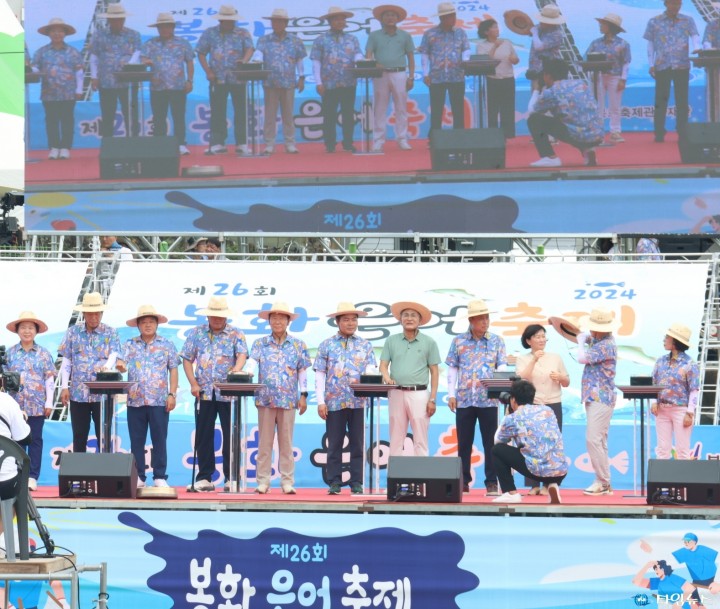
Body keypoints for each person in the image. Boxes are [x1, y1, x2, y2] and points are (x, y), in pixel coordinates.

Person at [180, 296, 248, 491]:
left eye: (221, 315)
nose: (217, 319)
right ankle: (204, 478)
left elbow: (242, 355)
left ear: (226, 316)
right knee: (204, 436)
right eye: (214, 315)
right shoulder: (196, 333)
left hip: (229, 394)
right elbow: (187, 359)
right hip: (204, 393)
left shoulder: (236, 333)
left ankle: (231, 478)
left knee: (231, 435)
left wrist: (236, 371)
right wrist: (193, 383)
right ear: (208, 315)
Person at [248, 302, 311, 494]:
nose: (277, 322)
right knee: (264, 443)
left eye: (282, 318)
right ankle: (263, 481)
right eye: (274, 318)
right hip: (265, 400)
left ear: (288, 321)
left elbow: (302, 371)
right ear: (269, 321)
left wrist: (304, 395)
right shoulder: (260, 343)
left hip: (289, 400)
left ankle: (287, 481)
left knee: (286, 443)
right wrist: (243, 374)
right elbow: (251, 364)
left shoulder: (298, 345)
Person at [314, 302, 376, 495]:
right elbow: (320, 375)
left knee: (358, 443)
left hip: (359, 401)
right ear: (337, 322)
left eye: (354, 320)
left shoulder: (365, 345)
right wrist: (320, 401)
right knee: (334, 444)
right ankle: (334, 482)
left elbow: (371, 370)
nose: (350, 323)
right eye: (346, 320)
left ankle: (356, 482)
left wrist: (369, 382)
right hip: (334, 402)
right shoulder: (326, 344)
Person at [445, 299, 506, 495]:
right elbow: (452, 368)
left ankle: (492, 481)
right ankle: (463, 480)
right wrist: (451, 394)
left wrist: (501, 390)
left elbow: (502, 366)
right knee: (464, 442)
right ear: (471, 320)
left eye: (487, 318)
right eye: (481, 318)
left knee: (491, 442)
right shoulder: (458, 341)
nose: (485, 322)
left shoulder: (497, 341)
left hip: (489, 399)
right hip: (464, 398)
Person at [58, 292, 124, 453]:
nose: (94, 317)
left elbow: (114, 355)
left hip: (103, 395)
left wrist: (106, 367)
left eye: (97, 313)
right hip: (78, 393)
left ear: (101, 313)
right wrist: (64, 387)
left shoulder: (111, 332)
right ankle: (79, 468)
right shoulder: (73, 332)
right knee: (79, 435)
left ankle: (105, 466)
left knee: (104, 435)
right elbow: (67, 360)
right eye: (90, 313)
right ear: (84, 313)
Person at [123, 305, 179, 489]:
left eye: (151, 322)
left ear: (157, 324)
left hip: (159, 400)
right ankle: (139, 476)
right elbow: (120, 364)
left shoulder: (167, 344)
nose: (148, 325)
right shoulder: (129, 344)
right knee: (136, 440)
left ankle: (159, 476)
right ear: (138, 325)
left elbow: (173, 369)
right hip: (135, 399)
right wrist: (119, 366)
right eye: (144, 322)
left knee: (159, 439)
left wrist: (172, 394)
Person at [491, 379, 567, 504]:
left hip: (536, 471)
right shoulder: (548, 410)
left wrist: (506, 417)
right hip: (560, 471)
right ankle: (552, 484)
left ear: (513, 400)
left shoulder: (513, 417)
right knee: (543, 452)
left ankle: (510, 493)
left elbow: (497, 441)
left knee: (497, 450)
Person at [380, 301, 439, 457]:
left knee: (421, 439)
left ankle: (421, 473)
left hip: (419, 394)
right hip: (396, 393)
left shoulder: (429, 342)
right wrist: (387, 378)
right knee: (396, 438)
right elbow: (383, 366)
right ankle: (394, 472)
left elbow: (434, 372)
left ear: (420, 320)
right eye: (405, 315)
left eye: (413, 315)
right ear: (400, 320)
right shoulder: (391, 340)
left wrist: (432, 399)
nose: (409, 318)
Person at [515, 323, 569, 495]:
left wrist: (560, 377)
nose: (541, 340)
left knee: (552, 444)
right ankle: (534, 485)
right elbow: (521, 378)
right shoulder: (522, 359)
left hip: (553, 403)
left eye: (543, 336)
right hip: (533, 404)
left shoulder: (555, 357)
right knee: (530, 444)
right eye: (537, 337)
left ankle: (549, 484)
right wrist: (534, 360)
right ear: (528, 341)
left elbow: (567, 382)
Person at [5, 311, 55, 492]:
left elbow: (49, 379)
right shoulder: (9, 354)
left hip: (37, 405)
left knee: (35, 440)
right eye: (23, 328)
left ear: (36, 331)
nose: (27, 331)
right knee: (15, 441)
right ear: (17, 331)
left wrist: (49, 403)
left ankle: (32, 477)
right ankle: (17, 475)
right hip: (14, 406)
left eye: (30, 328)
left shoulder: (44, 354)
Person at [196, 4, 254, 156]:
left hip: (238, 77)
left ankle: (242, 143)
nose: (230, 22)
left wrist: (245, 60)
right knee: (218, 110)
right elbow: (201, 53)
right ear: (220, 20)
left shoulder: (242, 33)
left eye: (232, 20)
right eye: (227, 20)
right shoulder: (210, 33)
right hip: (217, 78)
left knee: (241, 110)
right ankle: (218, 143)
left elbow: (250, 48)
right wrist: (208, 71)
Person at [527, 59, 604, 168]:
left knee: (534, 120)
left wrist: (536, 89)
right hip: (597, 134)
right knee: (573, 120)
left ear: (548, 76)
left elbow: (532, 111)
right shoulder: (581, 84)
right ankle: (588, 150)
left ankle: (550, 157)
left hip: (577, 136)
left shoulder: (551, 92)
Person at [643, 0, 700, 143]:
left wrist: (696, 48)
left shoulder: (687, 20)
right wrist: (651, 64)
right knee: (661, 99)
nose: (675, 6)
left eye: (678, 3)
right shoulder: (654, 21)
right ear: (666, 3)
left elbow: (694, 35)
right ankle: (659, 132)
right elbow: (650, 44)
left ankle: (682, 131)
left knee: (682, 100)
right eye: (672, 3)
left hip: (682, 64)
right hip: (662, 65)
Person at [576, 307, 618, 496]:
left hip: (601, 397)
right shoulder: (599, 341)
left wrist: (580, 342)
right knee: (599, 440)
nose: (591, 330)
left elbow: (581, 358)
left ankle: (602, 481)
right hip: (596, 396)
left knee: (593, 439)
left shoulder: (606, 345)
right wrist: (583, 338)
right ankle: (605, 482)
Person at [310, 6, 363, 153]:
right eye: (336, 19)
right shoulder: (321, 40)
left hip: (348, 82)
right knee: (329, 115)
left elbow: (358, 54)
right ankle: (330, 144)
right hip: (329, 83)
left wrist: (359, 59)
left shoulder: (352, 39)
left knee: (348, 114)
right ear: (329, 21)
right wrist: (319, 82)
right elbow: (316, 62)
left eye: (342, 19)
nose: (340, 22)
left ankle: (348, 143)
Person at [141, 13, 194, 156]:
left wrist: (190, 80)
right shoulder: (150, 43)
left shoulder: (183, 43)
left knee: (178, 116)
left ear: (173, 27)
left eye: (167, 26)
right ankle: (160, 144)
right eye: (161, 27)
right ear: (157, 28)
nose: (164, 29)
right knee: (158, 117)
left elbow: (189, 61)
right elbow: (142, 58)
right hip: (157, 86)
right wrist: (146, 61)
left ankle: (181, 144)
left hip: (178, 86)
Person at [256, 9, 307, 155]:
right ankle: (269, 144)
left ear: (286, 23)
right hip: (270, 82)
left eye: (279, 21)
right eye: (274, 21)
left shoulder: (295, 40)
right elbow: (258, 55)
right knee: (270, 115)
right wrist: (256, 61)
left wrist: (301, 77)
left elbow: (299, 60)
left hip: (289, 82)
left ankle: (290, 143)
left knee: (288, 115)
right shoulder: (264, 40)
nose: (276, 24)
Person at [365, 4, 415, 152]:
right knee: (380, 107)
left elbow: (411, 57)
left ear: (398, 18)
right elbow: (368, 54)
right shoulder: (374, 35)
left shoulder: (405, 35)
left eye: (393, 15)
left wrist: (411, 77)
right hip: (380, 75)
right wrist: (373, 64)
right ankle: (378, 140)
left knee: (401, 107)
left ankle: (402, 138)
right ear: (381, 18)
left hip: (399, 73)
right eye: (387, 15)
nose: (390, 18)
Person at [32, 18, 83, 161]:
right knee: (51, 120)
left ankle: (65, 147)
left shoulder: (73, 52)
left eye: (60, 31)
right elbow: (35, 67)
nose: (57, 34)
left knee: (67, 119)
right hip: (49, 93)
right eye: (53, 31)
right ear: (48, 33)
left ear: (65, 33)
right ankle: (54, 147)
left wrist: (79, 89)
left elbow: (79, 71)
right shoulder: (42, 52)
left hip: (68, 93)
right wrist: (32, 69)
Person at [89, 3, 141, 138]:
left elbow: (137, 53)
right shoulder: (99, 35)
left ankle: (133, 142)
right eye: (114, 19)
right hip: (107, 81)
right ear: (109, 19)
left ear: (124, 19)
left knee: (131, 113)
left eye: (120, 19)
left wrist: (129, 66)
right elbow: (94, 56)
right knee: (107, 114)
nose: (117, 22)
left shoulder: (134, 35)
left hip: (128, 82)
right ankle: (108, 144)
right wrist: (94, 77)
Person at [418, 2, 470, 132]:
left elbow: (466, 49)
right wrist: (425, 74)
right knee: (436, 108)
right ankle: (435, 137)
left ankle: (459, 136)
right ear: (442, 18)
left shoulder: (460, 33)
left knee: (458, 108)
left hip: (457, 75)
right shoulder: (430, 33)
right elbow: (424, 53)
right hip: (436, 76)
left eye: (454, 15)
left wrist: (465, 62)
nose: (454, 18)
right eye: (450, 16)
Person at [651, 323, 699, 460]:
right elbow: (653, 382)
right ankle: (662, 475)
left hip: (681, 410)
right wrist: (654, 401)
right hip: (662, 409)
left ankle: (682, 476)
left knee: (682, 450)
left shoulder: (690, 363)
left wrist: (690, 412)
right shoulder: (660, 361)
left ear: (675, 342)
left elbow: (694, 389)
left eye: (667, 337)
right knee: (662, 450)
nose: (664, 339)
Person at [585, 13, 631, 144]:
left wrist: (623, 79)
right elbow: (586, 58)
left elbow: (626, 63)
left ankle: (615, 132)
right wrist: (590, 75)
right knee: (597, 106)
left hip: (615, 77)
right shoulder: (595, 43)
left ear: (611, 27)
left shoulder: (623, 44)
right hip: (598, 77)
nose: (600, 26)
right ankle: (597, 131)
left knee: (615, 105)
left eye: (603, 24)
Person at [476, 18, 519, 139]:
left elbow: (516, 59)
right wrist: (495, 46)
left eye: (497, 26)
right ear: (486, 32)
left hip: (508, 78)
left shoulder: (507, 43)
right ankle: (493, 133)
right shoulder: (482, 46)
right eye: (494, 27)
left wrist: (514, 59)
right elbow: (485, 61)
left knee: (508, 107)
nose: (497, 29)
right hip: (492, 79)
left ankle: (508, 134)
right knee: (492, 108)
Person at [526, 4, 565, 111]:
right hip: (535, 70)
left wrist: (534, 33)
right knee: (535, 97)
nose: (541, 22)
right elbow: (526, 30)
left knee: (546, 98)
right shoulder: (540, 28)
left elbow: (539, 46)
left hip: (548, 72)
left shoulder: (556, 34)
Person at [632, 559, 705, 609]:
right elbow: (636, 582)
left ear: (664, 569)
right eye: (655, 569)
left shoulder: (671, 577)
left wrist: (679, 603)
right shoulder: (656, 582)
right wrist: (646, 566)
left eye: (659, 568)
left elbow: (690, 588)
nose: (657, 571)